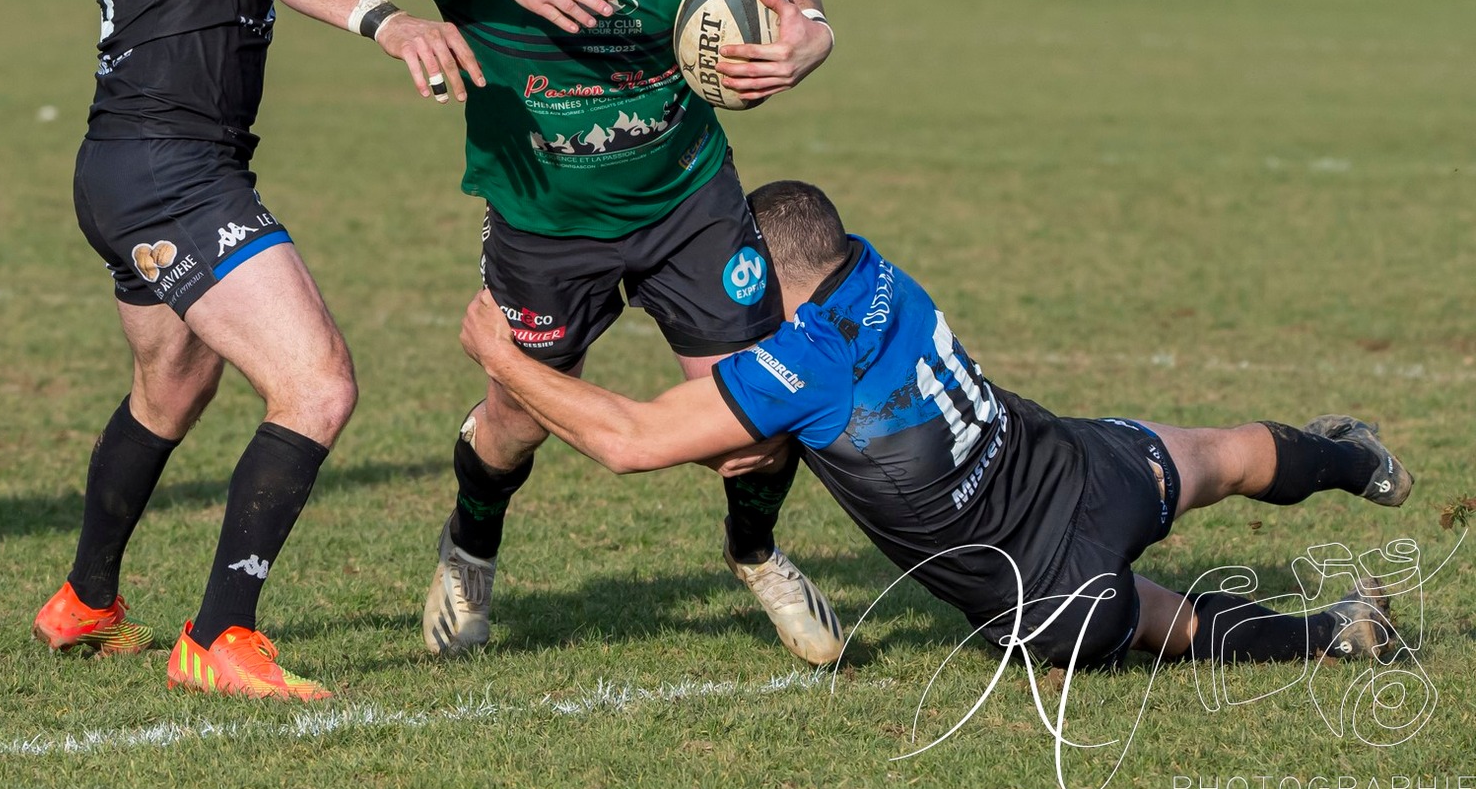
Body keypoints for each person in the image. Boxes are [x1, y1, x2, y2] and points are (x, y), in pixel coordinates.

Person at [36, 0, 618, 700]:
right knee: (317, 385)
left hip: (123, 166)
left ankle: (84, 598)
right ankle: (219, 637)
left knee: (170, 386)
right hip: (172, 174)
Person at [328, 0, 841, 663]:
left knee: (757, 421)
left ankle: (755, 553)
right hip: (544, 220)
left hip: (689, 201)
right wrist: (398, 14)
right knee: (515, 421)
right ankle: (470, 547)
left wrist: (809, 29)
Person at [457, 179, 1409, 672]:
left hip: (1050, 597)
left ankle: (1332, 634)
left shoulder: (798, 365)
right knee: (1230, 453)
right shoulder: (876, 270)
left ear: (757, 266)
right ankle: (1356, 462)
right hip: (1084, 469)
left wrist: (504, 360)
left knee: (1169, 619)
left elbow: (629, 441)